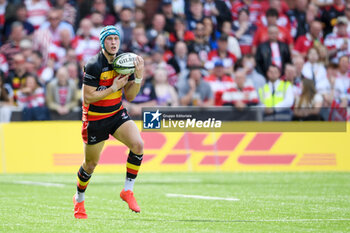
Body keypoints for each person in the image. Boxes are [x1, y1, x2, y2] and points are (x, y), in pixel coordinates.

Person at [73, 25, 145, 219]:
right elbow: (88, 98)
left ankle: (127, 191)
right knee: (90, 164)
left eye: (116, 39)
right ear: (102, 42)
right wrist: (114, 87)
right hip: (95, 118)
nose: (113, 43)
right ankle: (79, 199)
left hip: (116, 113)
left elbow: (129, 96)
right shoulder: (94, 64)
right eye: (109, 39)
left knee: (138, 145)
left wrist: (138, 78)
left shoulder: (125, 60)